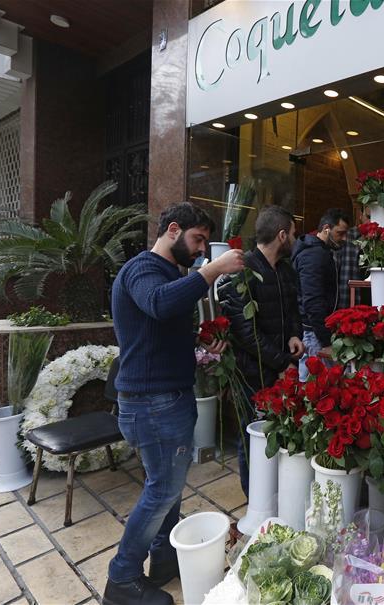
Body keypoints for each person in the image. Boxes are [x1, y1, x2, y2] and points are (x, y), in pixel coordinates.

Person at [105, 203, 245, 605]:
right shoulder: (142, 269)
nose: (202, 250)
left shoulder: (170, 274)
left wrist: (199, 340)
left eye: (205, 243)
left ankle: (164, 559)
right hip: (152, 404)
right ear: (172, 230)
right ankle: (122, 578)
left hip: (164, 399)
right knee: (162, 491)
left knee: (168, 487)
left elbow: (157, 326)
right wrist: (214, 269)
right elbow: (159, 304)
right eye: (197, 240)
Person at [220, 205, 304, 496]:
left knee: (279, 435)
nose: (296, 238)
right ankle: (255, 500)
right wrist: (282, 364)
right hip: (252, 374)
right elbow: (245, 332)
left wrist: (294, 334)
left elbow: (293, 309)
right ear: (282, 235)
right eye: (294, 233)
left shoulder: (285, 269)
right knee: (253, 439)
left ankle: (274, 494)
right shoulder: (241, 271)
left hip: (279, 370)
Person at [292, 208, 349, 380]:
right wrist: (326, 340)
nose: (344, 238)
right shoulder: (314, 255)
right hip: (314, 332)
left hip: (313, 330)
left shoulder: (316, 252)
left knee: (312, 383)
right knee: (316, 384)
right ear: (326, 229)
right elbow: (313, 301)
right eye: (340, 233)